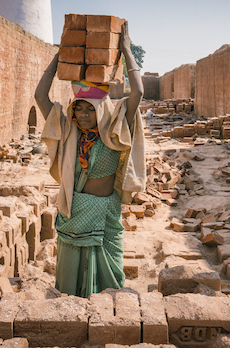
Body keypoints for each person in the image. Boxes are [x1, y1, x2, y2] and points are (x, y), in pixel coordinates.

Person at [35, 21, 146, 297]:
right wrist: (61, 58)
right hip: (75, 214)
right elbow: (40, 95)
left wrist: (127, 50)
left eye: (90, 109)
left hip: (106, 214)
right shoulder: (68, 129)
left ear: (102, 108)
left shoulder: (116, 127)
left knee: (110, 286)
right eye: (79, 109)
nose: (83, 115)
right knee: (70, 285)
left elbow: (139, 92)